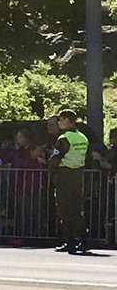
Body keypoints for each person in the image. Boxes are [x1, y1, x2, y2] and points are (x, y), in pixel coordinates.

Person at [49, 108, 89, 255]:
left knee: (64, 209)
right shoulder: (83, 138)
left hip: (64, 175)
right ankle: (83, 240)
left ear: (67, 121)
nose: (58, 122)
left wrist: (51, 171)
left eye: (60, 119)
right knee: (77, 210)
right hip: (78, 175)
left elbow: (55, 159)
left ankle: (70, 241)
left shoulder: (64, 138)